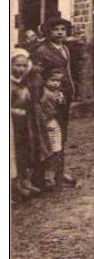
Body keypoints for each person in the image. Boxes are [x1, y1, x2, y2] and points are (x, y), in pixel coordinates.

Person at [29, 17, 76, 187]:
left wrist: (70, 90)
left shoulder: (64, 49)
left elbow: (67, 72)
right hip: (49, 100)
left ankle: (59, 171)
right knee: (47, 134)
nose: (60, 33)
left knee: (62, 133)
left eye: (63, 29)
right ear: (48, 32)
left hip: (63, 97)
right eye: (56, 29)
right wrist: (47, 94)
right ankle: (42, 175)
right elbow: (37, 77)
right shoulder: (41, 51)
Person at [10, 49, 42, 199]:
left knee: (24, 150)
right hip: (11, 123)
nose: (21, 69)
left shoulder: (24, 82)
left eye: (24, 66)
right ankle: (14, 185)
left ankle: (24, 180)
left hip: (23, 122)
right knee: (13, 153)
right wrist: (14, 111)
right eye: (17, 66)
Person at [38, 72, 67, 190]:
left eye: (58, 81)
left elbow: (61, 107)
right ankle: (46, 178)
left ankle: (50, 176)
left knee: (56, 151)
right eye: (53, 80)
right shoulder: (43, 94)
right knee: (48, 151)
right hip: (46, 122)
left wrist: (61, 99)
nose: (56, 83)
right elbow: (42, 110)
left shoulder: (58, 93)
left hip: (54, 121)